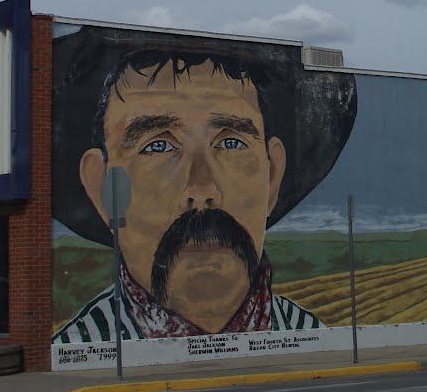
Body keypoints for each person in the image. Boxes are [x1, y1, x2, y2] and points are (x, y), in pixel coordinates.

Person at [52, 39, 356, 343]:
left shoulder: (314, 338)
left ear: (272, 178)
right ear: (102, 188)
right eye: (158, 146)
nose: (201, 190)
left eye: (231, 143)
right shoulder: (78, 344)